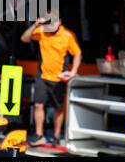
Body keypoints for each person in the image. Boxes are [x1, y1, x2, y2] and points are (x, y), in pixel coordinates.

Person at [21, 11, 82, 147]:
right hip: (42, 75)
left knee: (58, 108)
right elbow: (24, 38)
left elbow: (77, 53)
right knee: (38, 104)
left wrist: (73, 71)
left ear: (59, 22)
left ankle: (55, 135)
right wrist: (35, 25)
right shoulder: (42, 31)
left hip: (59, 78)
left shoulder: (67, 35)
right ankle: (39, 134)